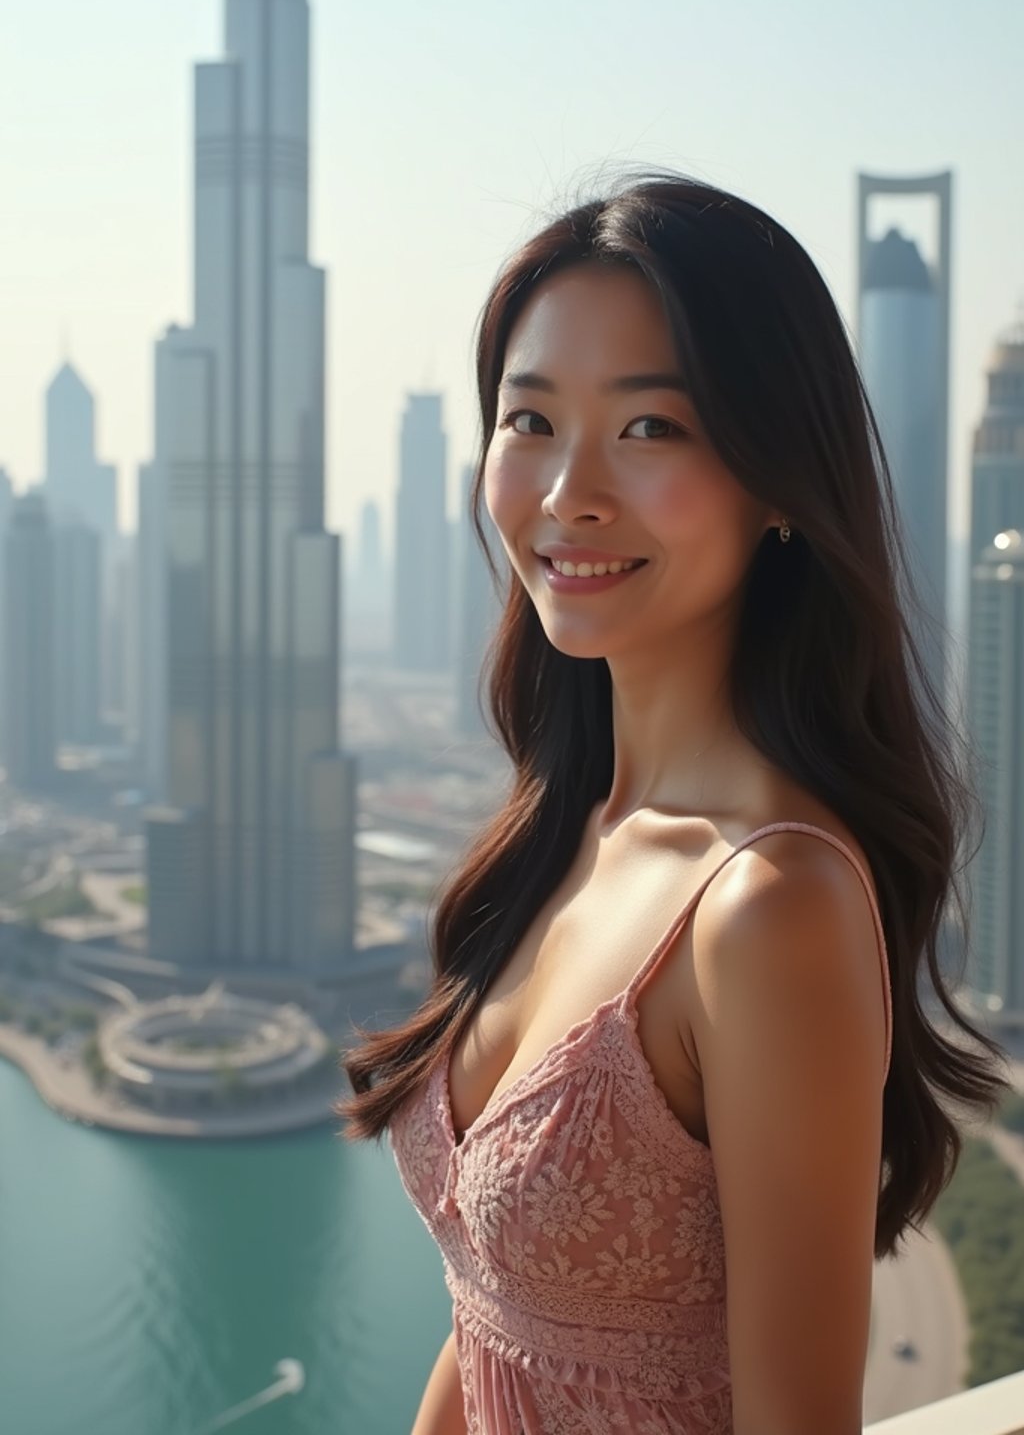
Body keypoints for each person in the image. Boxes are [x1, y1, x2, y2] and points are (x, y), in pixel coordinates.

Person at [336, 171, 1011, 1435]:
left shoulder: (768, 907)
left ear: (775, 485)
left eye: (650, 429)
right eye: (528, 419)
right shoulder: (566, 832)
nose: (566, 491)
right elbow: (492, 1324)